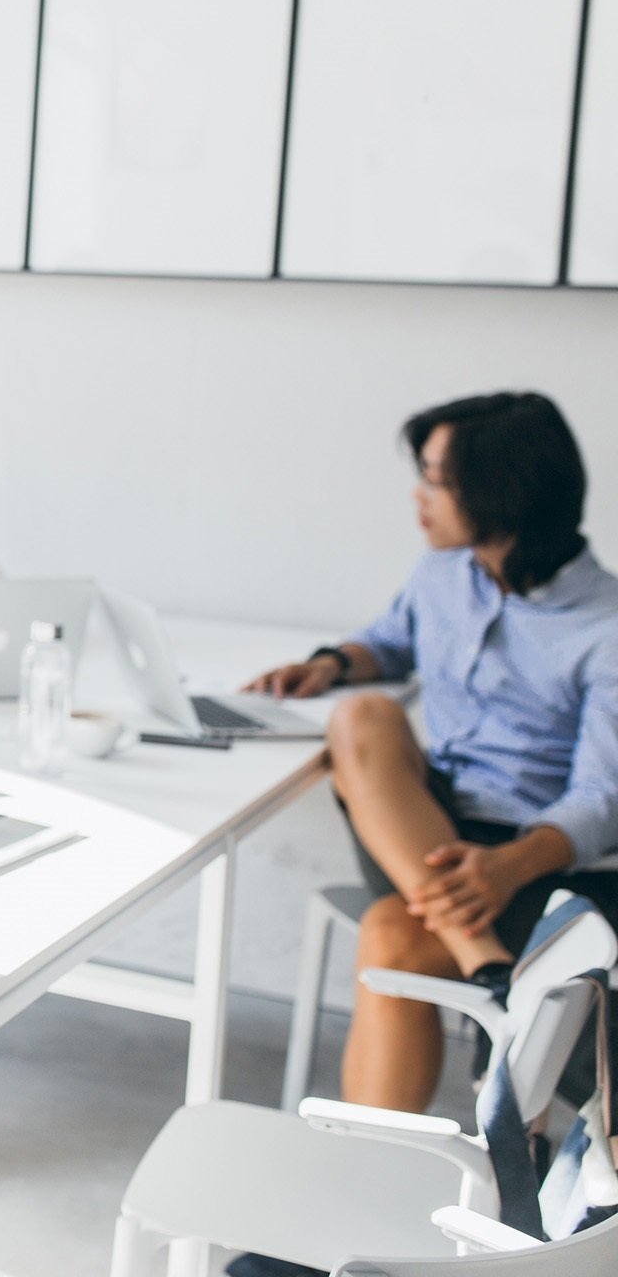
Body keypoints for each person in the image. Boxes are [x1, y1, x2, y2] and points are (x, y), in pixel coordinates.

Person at [247, 392, 618, 1112]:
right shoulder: (442, 574)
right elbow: (389, 642)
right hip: (427, 833)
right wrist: (332, 663)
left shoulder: (605, 625)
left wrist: (506, 868)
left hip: (541, 860)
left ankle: (368, 1168)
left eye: (436, 481)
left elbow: (602, 802)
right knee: (363, 715)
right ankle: (491, 968)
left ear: (502, 490)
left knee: (391, 933)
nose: (419, 497)